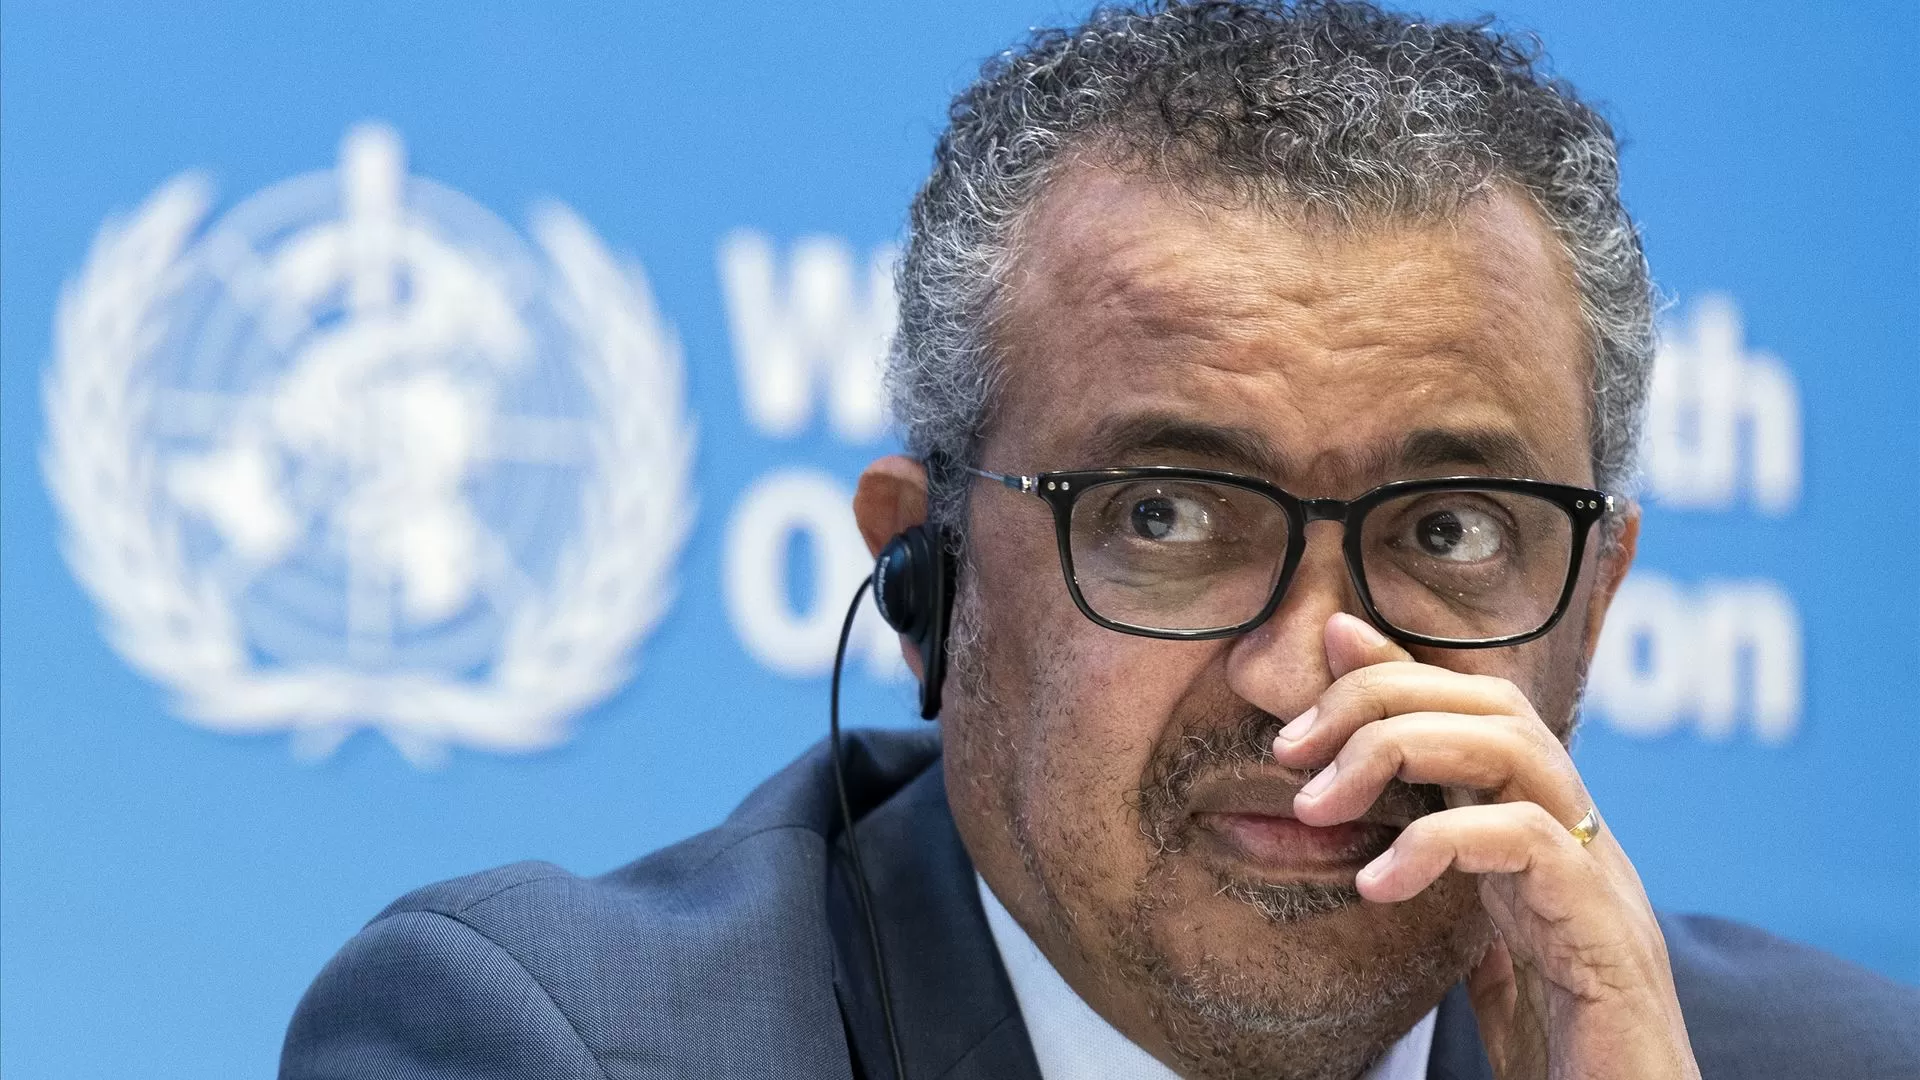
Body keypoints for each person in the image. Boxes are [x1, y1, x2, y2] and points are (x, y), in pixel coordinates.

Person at [280, 3, 1919, 1078]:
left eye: (1449, 528)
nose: (1312, 677)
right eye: (1164, 516)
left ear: (1595, 604)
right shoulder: (552, 1044)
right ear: (926, 584)